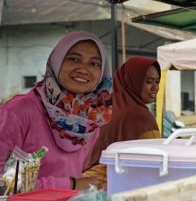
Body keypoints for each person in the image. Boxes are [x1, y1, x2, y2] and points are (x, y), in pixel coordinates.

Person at [0, 31, 112, 190]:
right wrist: (70, 184)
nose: (83, 69)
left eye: (94, 63)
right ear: (57, 61)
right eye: (74, 59)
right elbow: (2, 183)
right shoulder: (18, 111)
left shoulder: (90, 122)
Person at [84, 56, 161, 186]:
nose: (155, 88)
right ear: (133, 81)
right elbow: (157, 159)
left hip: (83, 180)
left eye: (157, 81)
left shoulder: (103, 104)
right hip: (109, 185)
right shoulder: (140, 116)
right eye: (149, 82)